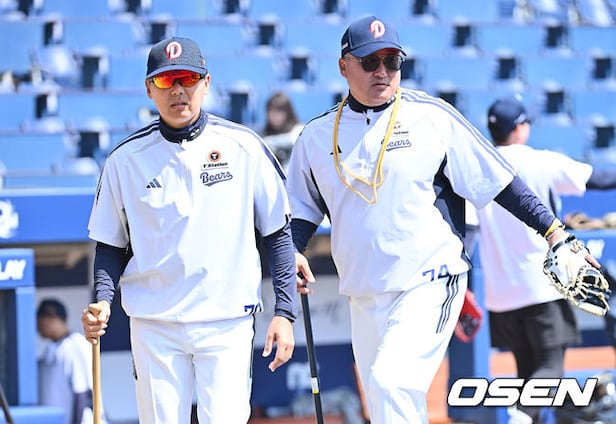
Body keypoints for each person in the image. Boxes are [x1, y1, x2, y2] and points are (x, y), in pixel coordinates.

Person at [285, 16, 606, 424]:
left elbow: (500, 182)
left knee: (391, 383)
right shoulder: (316, 137)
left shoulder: (432, 117)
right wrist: (293, 251)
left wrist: (554, 231)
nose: (382, 71)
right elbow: (302, 210)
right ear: (343, 66)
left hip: (429, 279)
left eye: (392, 61)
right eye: (369, 62)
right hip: (364, 291)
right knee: (385, 404)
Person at [80, 36, 298, 424]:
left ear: (206, 83)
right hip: (155, 324)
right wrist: (104, 300)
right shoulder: (125, 160)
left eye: (189, 79)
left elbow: (277, 234)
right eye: (166, 81)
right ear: (149, 89)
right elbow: (110, 246)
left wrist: (285, 312)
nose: (178, 90)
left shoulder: (244, 147)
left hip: (226, 319)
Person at [477, 95, 616, 423]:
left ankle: (526, 415)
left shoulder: (479, 168)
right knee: (550, 368)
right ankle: (521, 415)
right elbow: (598, 179)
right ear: (519, 128)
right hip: (543, 286)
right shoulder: (538, 160)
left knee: (526, 371)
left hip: (501, 293)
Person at [37, 298, 106, 424]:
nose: (37, 326)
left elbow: (82, 393)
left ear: (51, 317)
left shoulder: (76, 343)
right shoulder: (50, 350)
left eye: (39, 319)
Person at [261, 91, 304, 171]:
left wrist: (267, 142)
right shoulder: (263, 133)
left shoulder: (298, 129)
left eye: (279, 112)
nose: (274, 116)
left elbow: (293, 140)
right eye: (271, 111)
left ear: (288, 113)